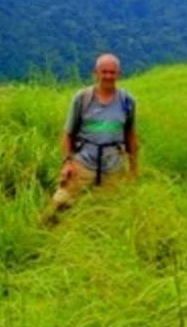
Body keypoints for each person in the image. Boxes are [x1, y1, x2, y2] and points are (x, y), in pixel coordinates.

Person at [44, 53, 139, 222]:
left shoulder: (127, 101)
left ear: (119, 74)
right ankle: (42, 236)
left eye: (112, 72)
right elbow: (68, 133)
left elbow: (130, 135)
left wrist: (133, 169)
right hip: (83, 164)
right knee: (59, 205)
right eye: (104, 72)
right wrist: (67, 162)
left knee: (107, 213)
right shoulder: (82, 98)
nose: (108, 76)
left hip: (113, 166)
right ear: (95, 73)